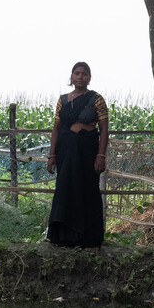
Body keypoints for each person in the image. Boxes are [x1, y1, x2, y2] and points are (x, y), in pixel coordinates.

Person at [46, 61, 109, 248]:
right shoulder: (63, 100)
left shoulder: (96, 99)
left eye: (84, 73)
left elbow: (104, 130)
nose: (80, 76)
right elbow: (56, 128)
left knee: (86, 189)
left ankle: (87, 238)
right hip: (65, 151)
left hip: (86, 151)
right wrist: (52, 155)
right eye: (77, 73)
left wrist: (101, 155)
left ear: (89, 78)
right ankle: (64, 237)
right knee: (65, 189)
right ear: (71, 77)